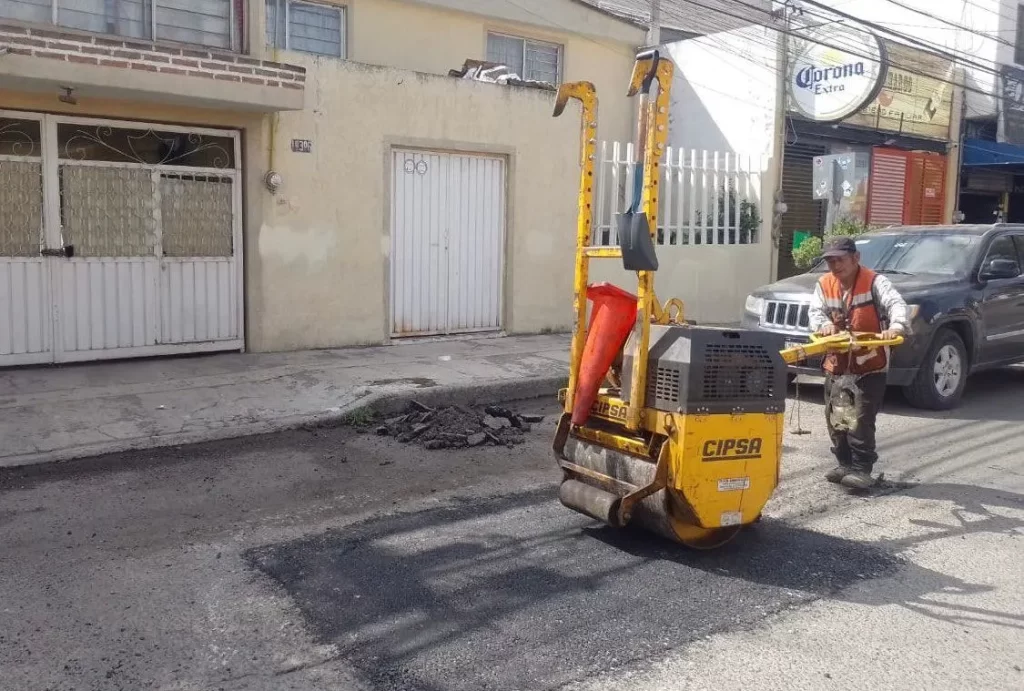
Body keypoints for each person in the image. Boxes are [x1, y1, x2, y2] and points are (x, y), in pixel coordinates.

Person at [807, 235, 909, 490]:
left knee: (861, 418)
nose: (835, 266)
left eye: (840, 260)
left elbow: (896, 304)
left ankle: (862, 468)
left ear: (855, 258)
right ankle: (844, 463)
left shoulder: (876, 282)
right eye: (830, 261)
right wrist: (824, 325)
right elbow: (815, 312)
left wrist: (895, 327)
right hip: (838, 364)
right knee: (837, 416)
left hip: (868, 365)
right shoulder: (824, 284)